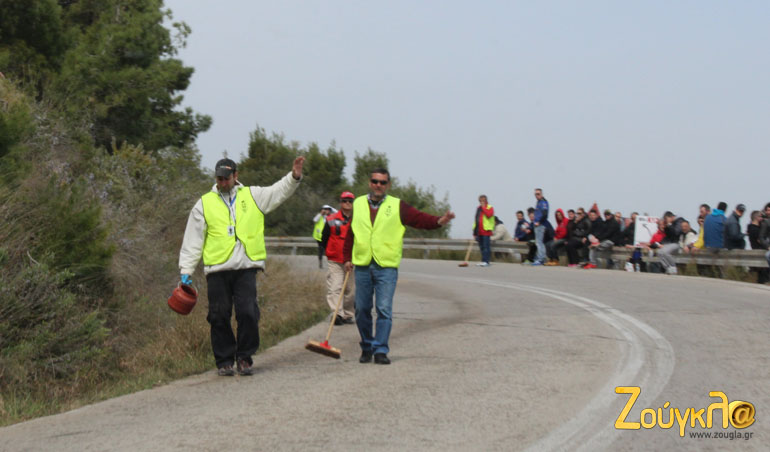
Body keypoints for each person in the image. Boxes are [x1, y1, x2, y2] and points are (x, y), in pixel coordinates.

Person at [179, 157, 304, 376]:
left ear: (236, 176)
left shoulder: (253, 196)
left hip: (246, 266)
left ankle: (245, 357)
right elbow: (193, 239)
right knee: (219, 315)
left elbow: (277, 192)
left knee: (247, 312)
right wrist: (186, 271)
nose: (223, 182)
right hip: (217, 268)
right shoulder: (204, 204)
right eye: (219, 178)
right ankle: (224, 360)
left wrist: (293, 177)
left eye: (226, 178)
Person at [343, 168, 455, 365]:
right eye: (375, 181)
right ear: (370, 183)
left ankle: (380, 350)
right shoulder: (358, 203)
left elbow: (419, 219)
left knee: (384, 309)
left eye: (383, 182)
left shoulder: (397, 206)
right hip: (362, 264)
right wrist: (346, 257)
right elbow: (351, 232)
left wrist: (439, 221)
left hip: (386, 266)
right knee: (361, 309)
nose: (379, 185)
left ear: (388, 185)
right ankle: (367, 346)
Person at [320, 191, 356, 325]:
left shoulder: (357, 219)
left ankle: (347, 314)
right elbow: (324, 238)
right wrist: (330, 251)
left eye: (350, 201)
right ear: (341, 202)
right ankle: (337, 314)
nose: (347, 203)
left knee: (349, 290)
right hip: (335, 260)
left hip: (351, 260)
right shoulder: (331, 219)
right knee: (335, 287)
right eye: (345, 201)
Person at [473, 195, 495, 267]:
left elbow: (489, 215)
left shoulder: (490, 207)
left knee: (486, 247)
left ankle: (486, 261)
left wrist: (483, 207)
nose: (481, 202)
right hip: (479, 231)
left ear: (486, 200)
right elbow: (476, 219)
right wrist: (474, 232)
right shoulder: (478, 208)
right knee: (481, 247)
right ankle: (483, 260)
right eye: (480, 201)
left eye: (483, 200)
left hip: (486, 230)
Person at [532, 188, 550, 265]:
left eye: (538, 194)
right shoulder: (538, 202)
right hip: (536, 224)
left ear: (541, 194)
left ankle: (541, 259)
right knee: (538, 242)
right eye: (535, 194)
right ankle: (541, 257)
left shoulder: (543, 202)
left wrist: (539, 222)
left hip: (540, 225)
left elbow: (545, 214)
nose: (537, 195)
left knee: (539, 242)